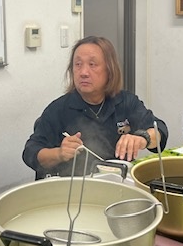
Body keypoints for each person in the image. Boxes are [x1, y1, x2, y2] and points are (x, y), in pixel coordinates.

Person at [23, 36, 168, 180]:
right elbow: (30, 152)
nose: (83, 72)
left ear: (109, 70)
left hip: (117, 183)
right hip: (74, 186)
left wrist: (143, 138)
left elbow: (159, 130)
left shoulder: (125, 102)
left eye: (92, 64)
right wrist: (59, 153)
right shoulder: (58, 109)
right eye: (78, 64)